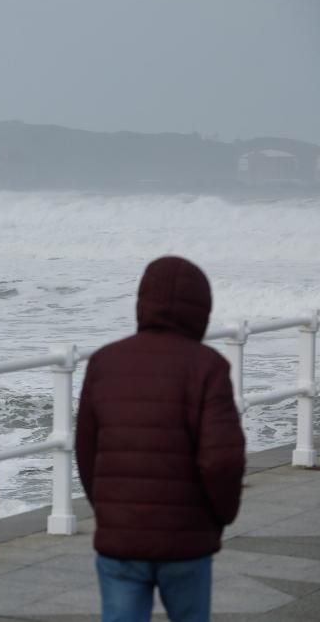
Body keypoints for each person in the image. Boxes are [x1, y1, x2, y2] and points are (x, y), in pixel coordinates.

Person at [76, 256, 246, 622]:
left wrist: (109, 512)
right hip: (187, 541)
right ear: (200, 308)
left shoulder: (105, 362)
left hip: (121, 540)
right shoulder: (207, 366)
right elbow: (223, 459)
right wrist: (221, 515)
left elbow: (87, 452)